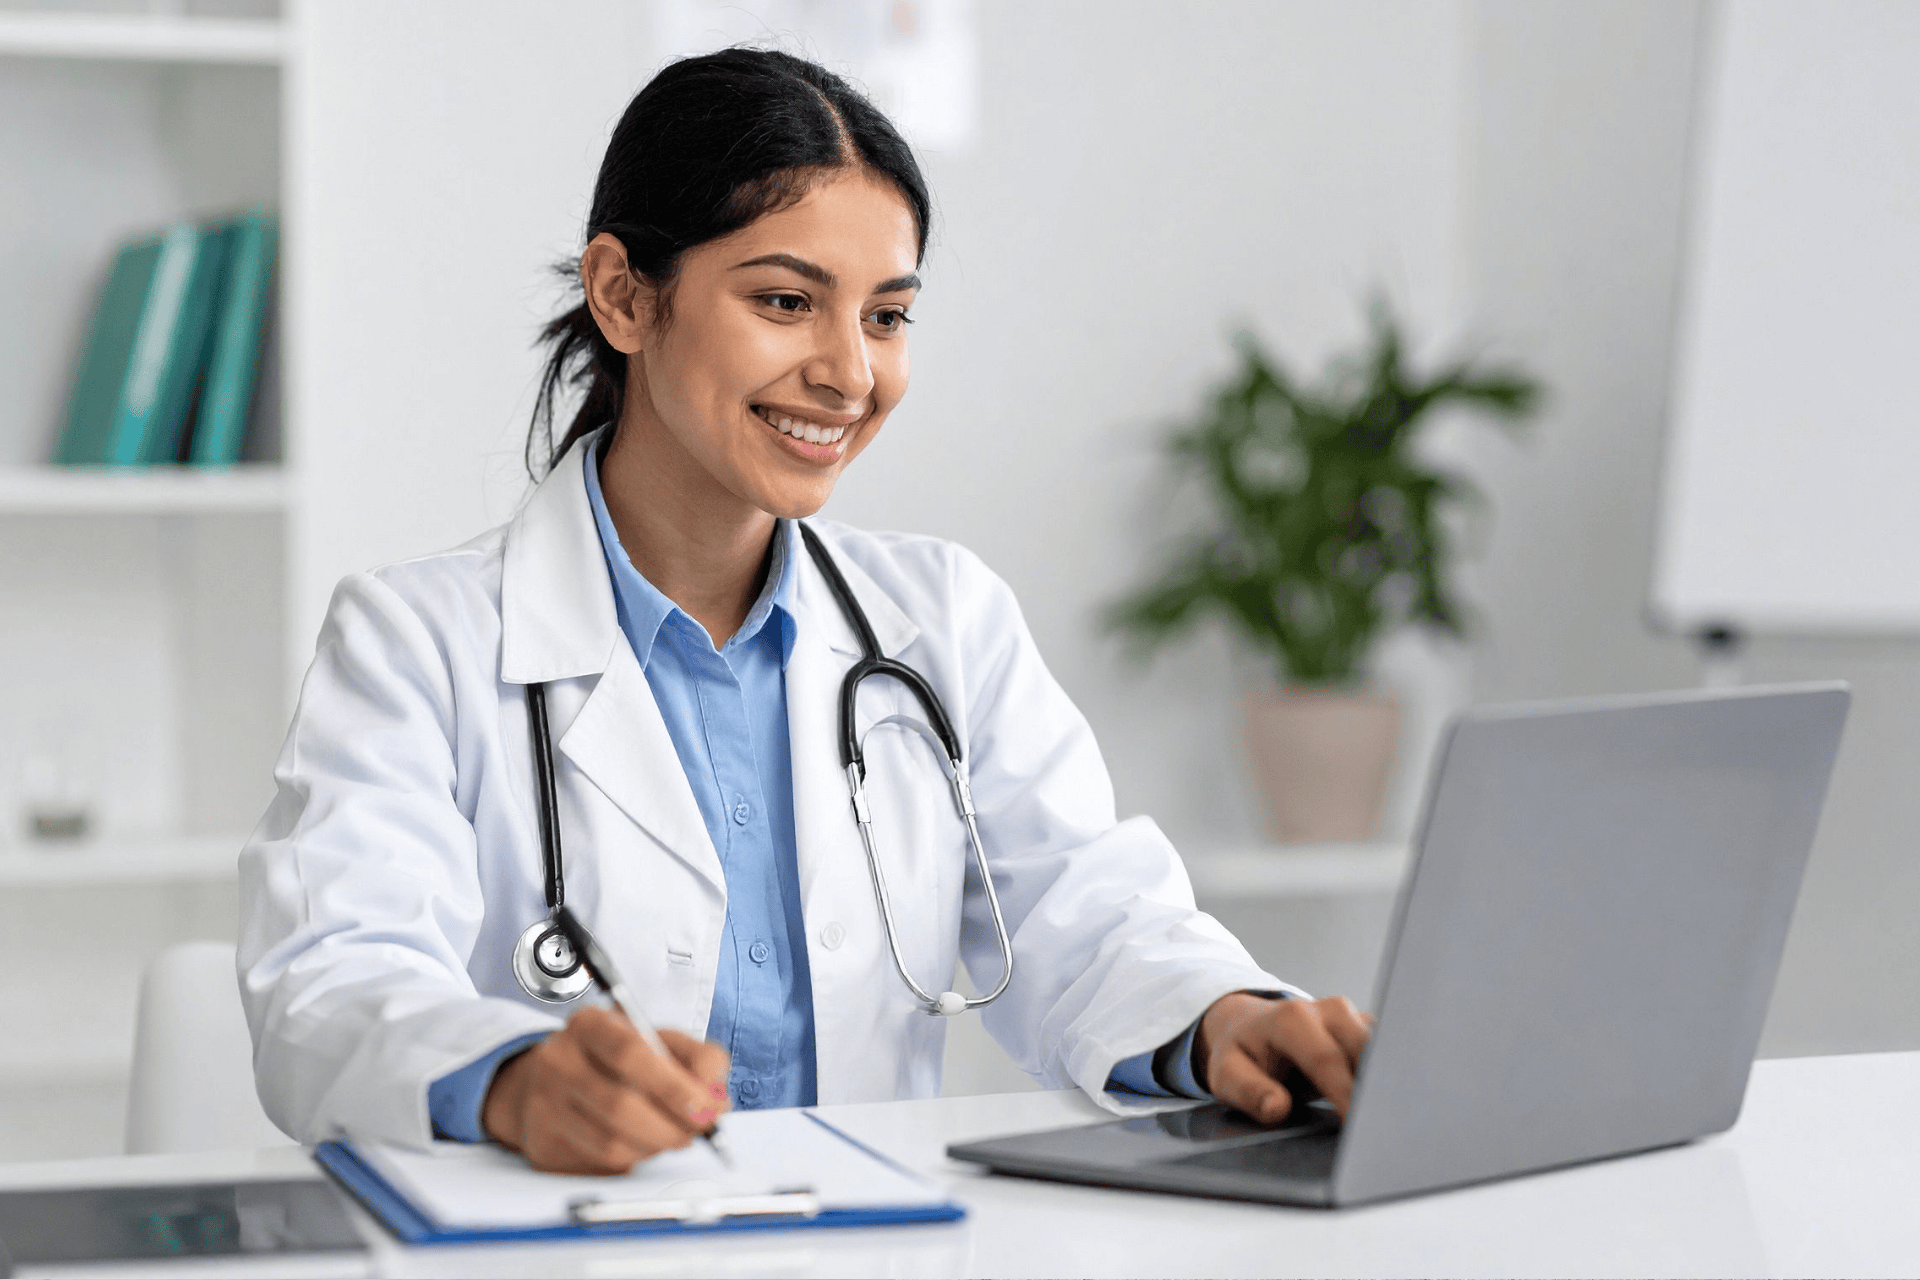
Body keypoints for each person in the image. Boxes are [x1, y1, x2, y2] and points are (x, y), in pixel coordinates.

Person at [237, 47, 1371, 1175]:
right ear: (625, 294)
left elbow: (1091, 919)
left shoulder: (943, 621)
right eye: (787, 301)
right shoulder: (414, 644)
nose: (850, 372)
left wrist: (1226, 1016)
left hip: (873, 1242)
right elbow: (334, 983)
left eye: (886, 316)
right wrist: (515, 1077)